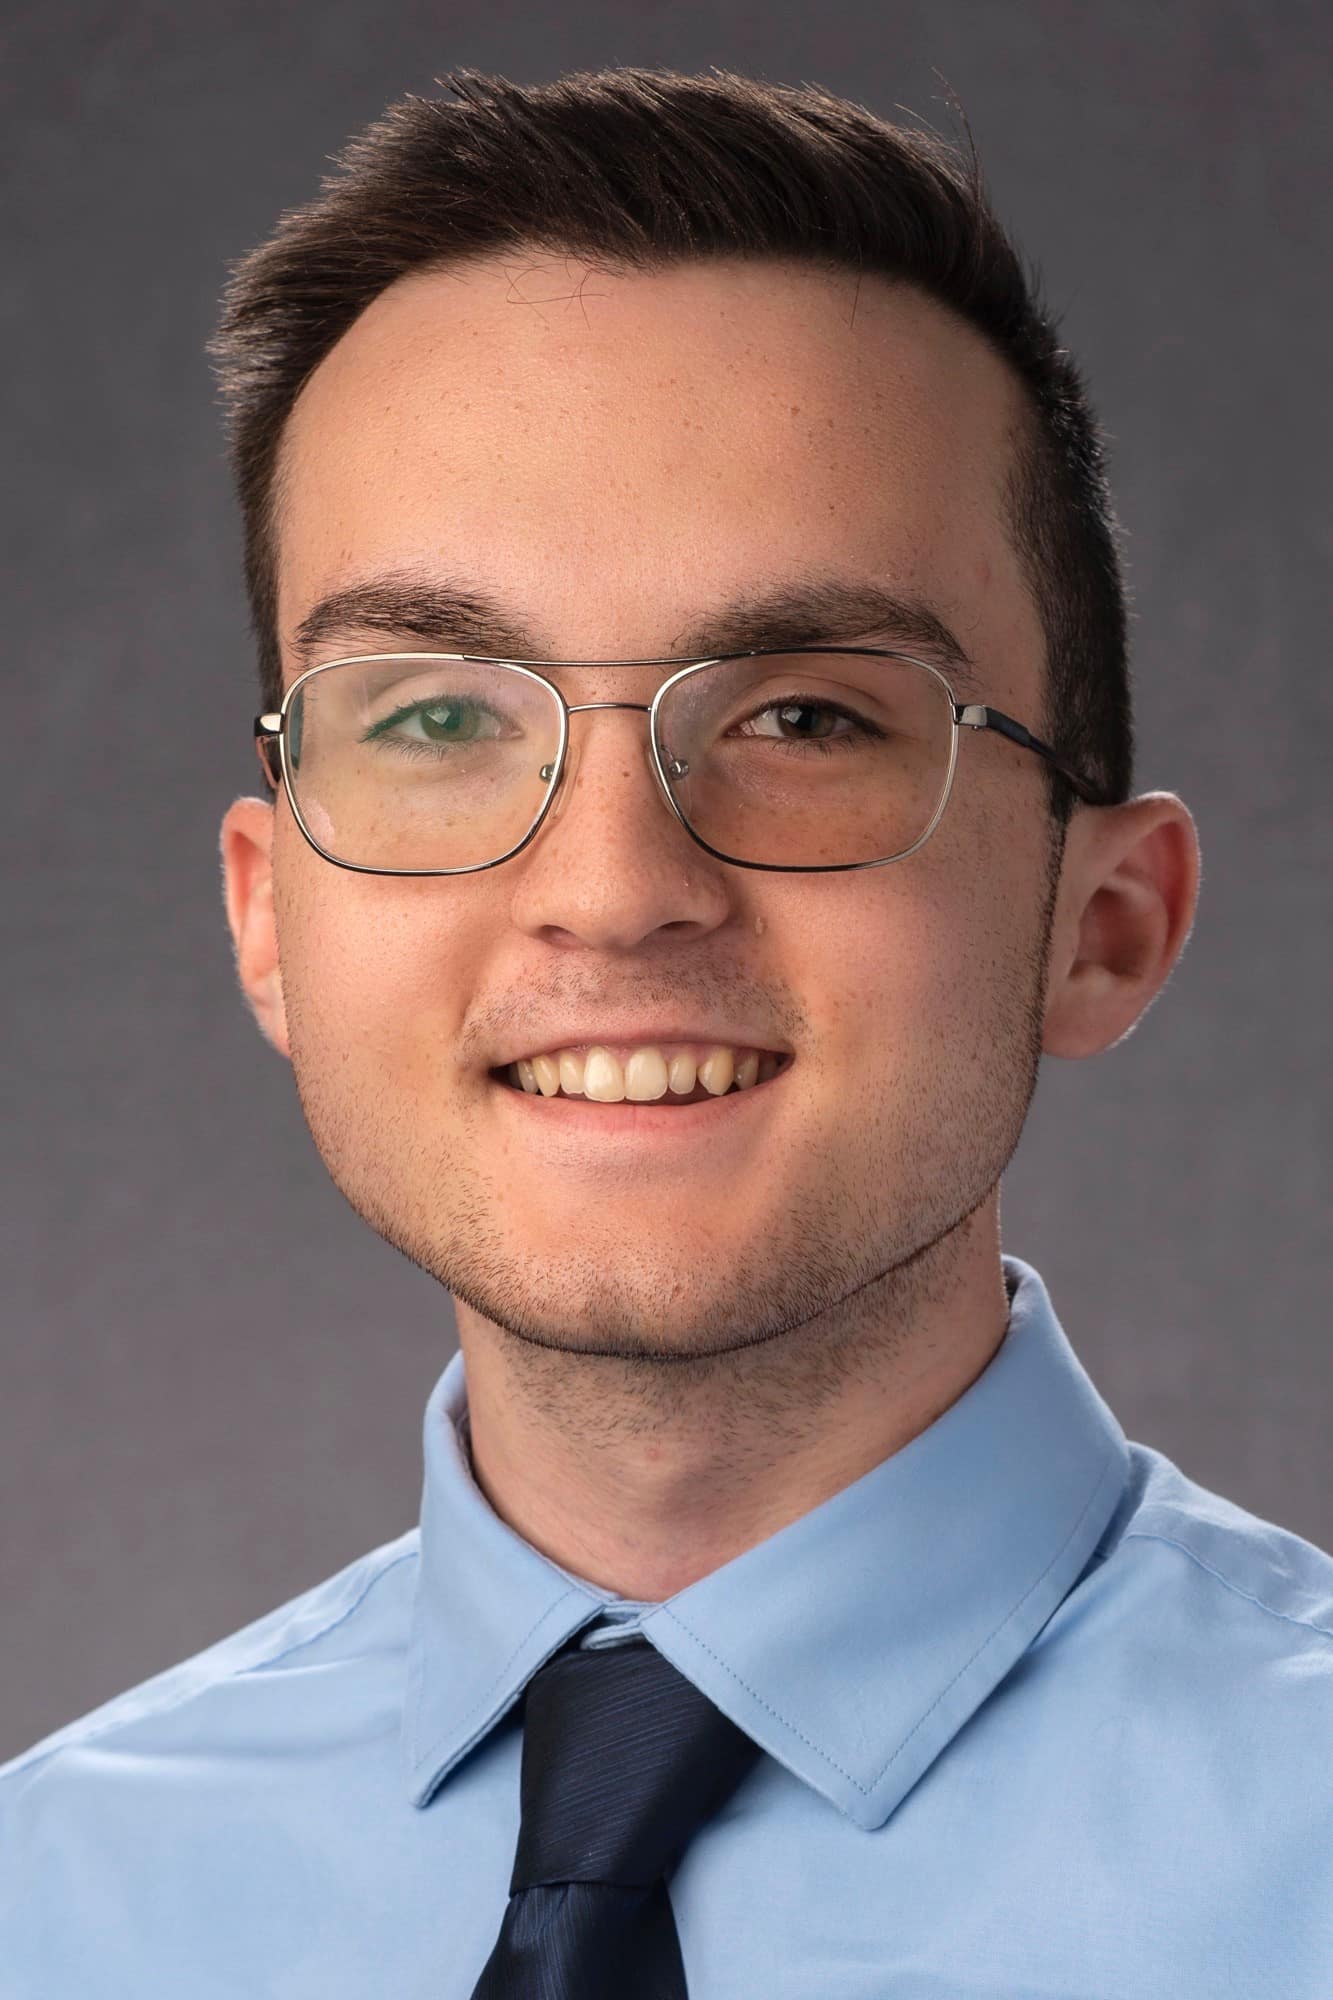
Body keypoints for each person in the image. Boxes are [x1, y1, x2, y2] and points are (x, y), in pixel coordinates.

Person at [2, 63, 1329, 1998]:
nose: (614, 887)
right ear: (267, 916)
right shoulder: (46, 1904)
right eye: (440, 716)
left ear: (1103, 924)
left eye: (805, 716)